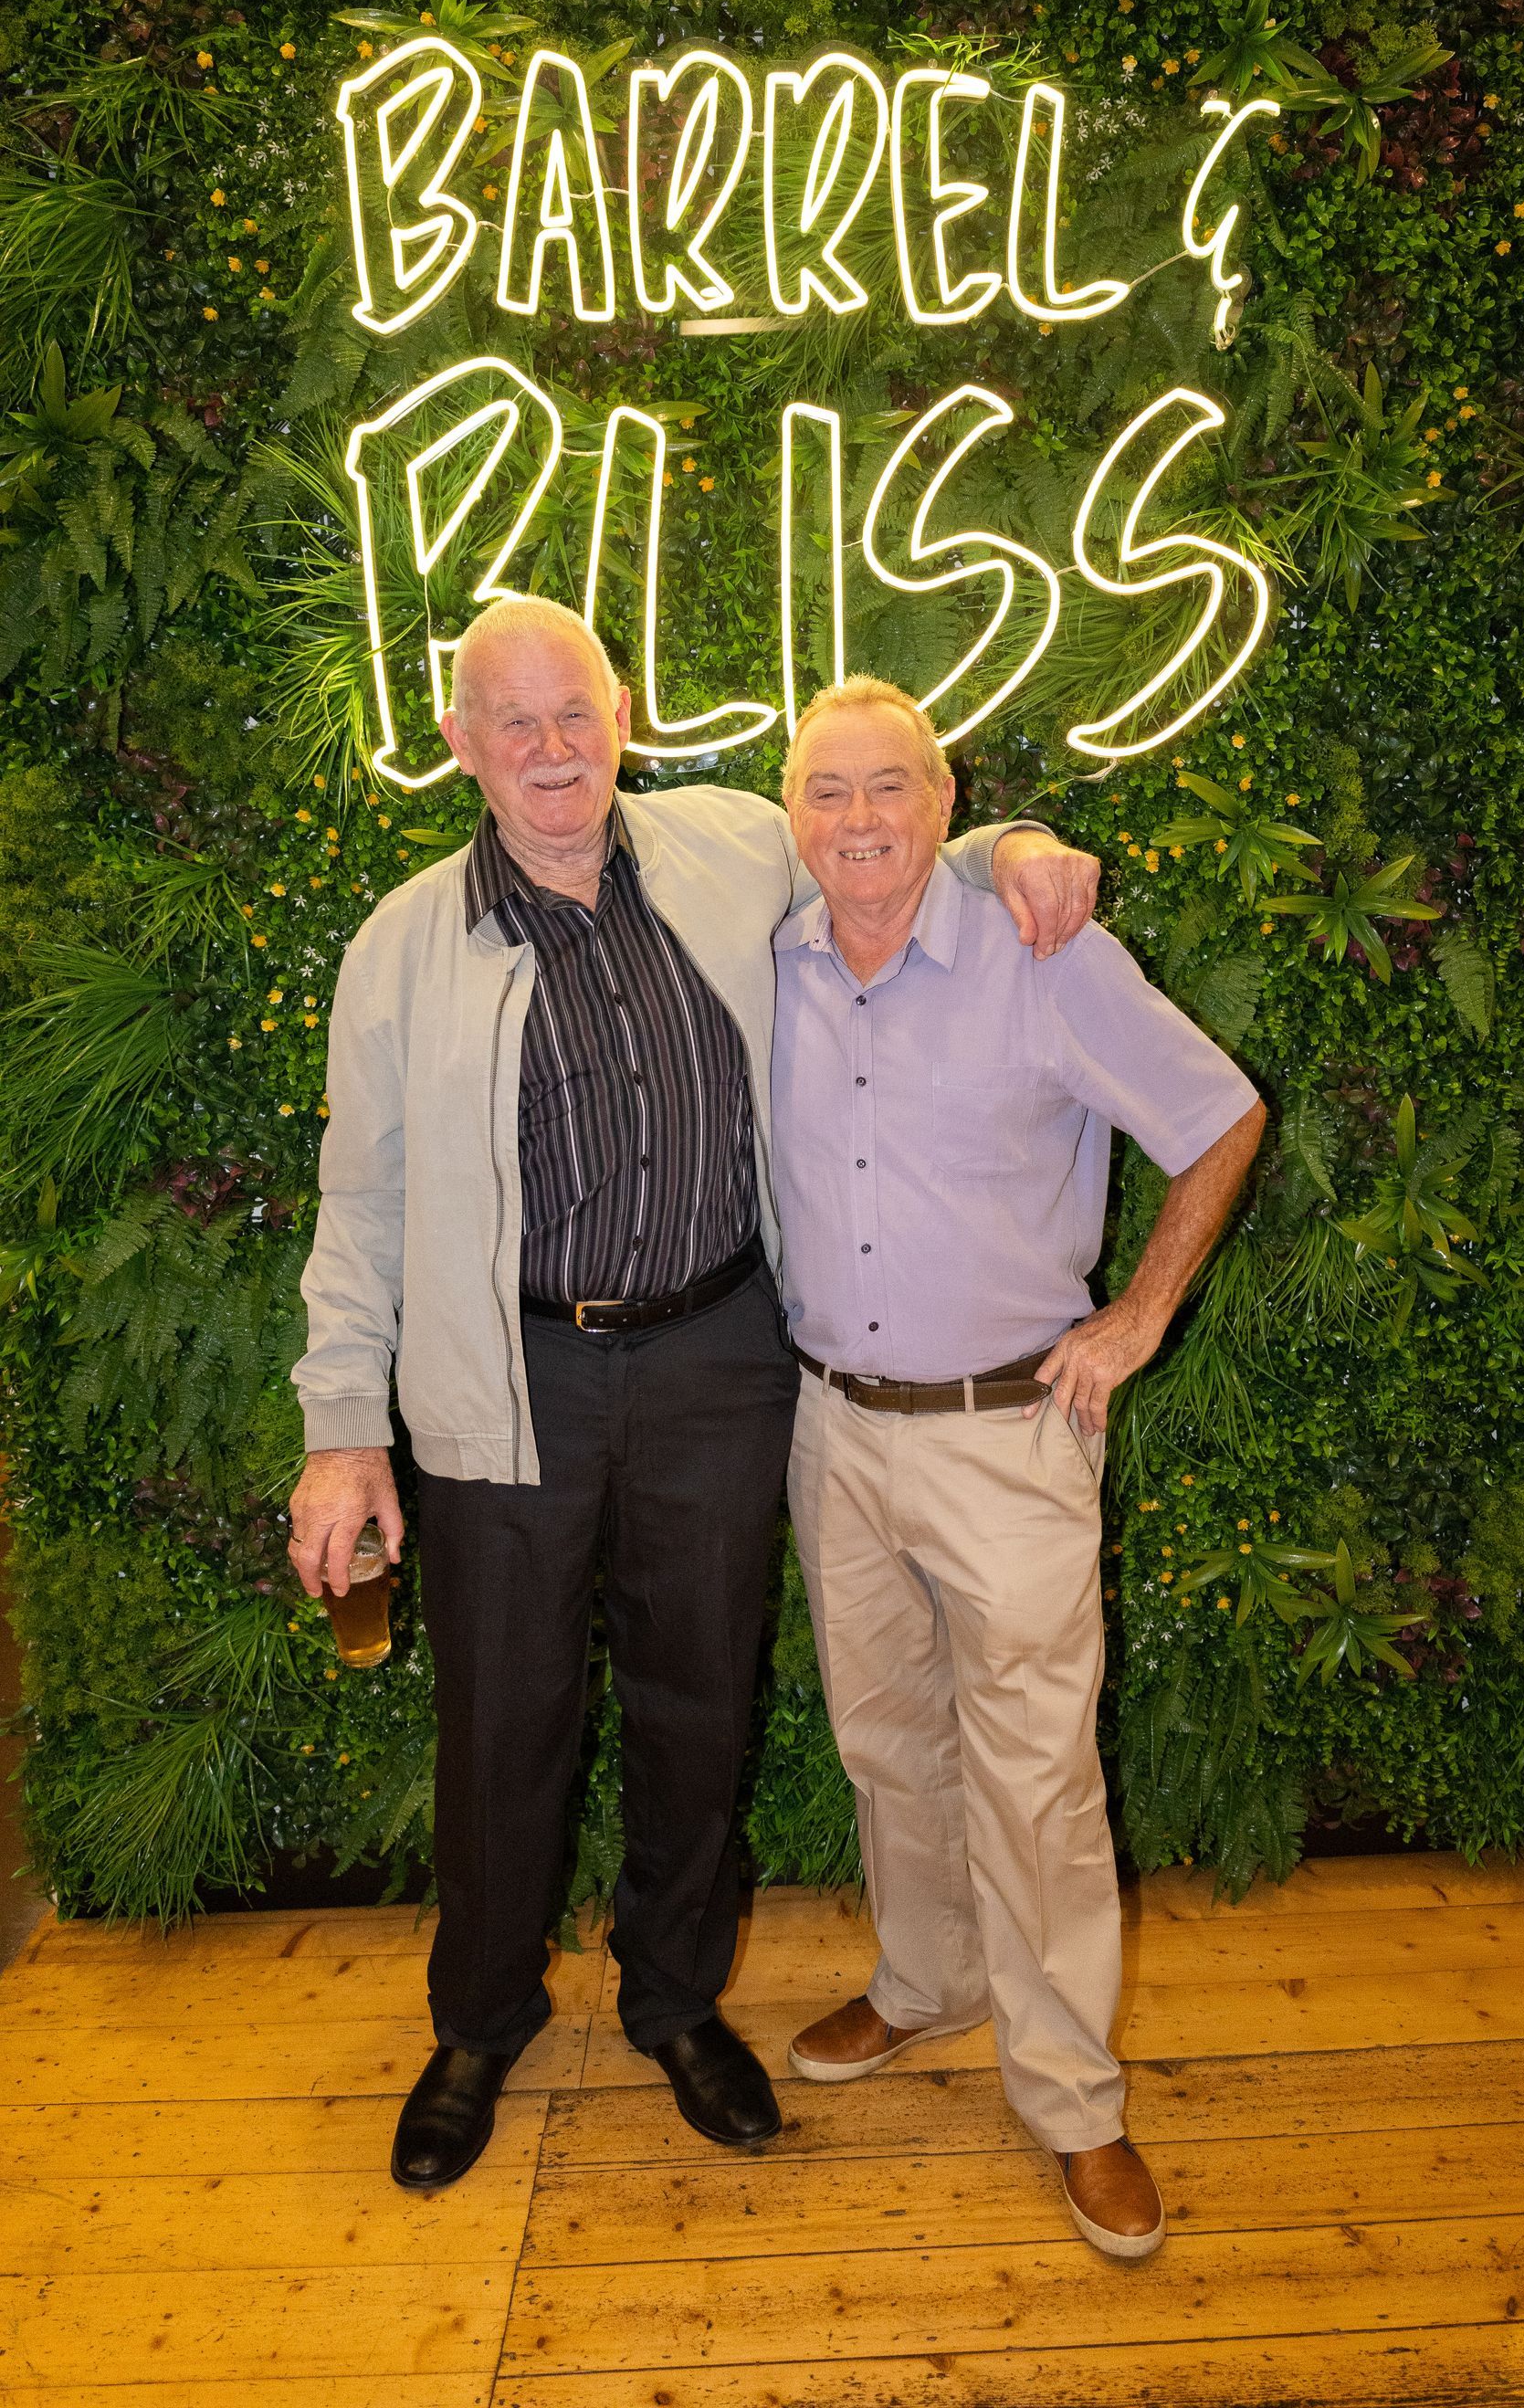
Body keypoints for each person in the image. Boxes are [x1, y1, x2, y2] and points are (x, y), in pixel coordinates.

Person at [285, 596, 1098, 2192]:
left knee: (699, 1699)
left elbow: (887, 847)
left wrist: (1013, 842)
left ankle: (671, 2001)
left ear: (625, 712)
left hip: (719, 1355)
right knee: (504, 1718)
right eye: (510, 721)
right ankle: (479, 2022)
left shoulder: (735, 844)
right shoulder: (401, 949)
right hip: (505, 1376)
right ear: (458, 744)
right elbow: (357, 1202)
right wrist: (339, 1429)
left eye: (572, 710)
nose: (548, 748)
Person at [773, 675, 1265, 2262]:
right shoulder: (767, 950)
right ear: (791, 815)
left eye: (890, 791)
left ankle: (1073, 2101)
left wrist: (1138, 1315)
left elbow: (1220, 1116)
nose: (857, 822)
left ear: (944, 799)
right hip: (835, 1427)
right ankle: (926, 1983)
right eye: (827, 791)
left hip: (1008, 1439)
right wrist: (1011, 835)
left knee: (1041, 1786)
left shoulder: (1044, 954)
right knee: (883, 1738)